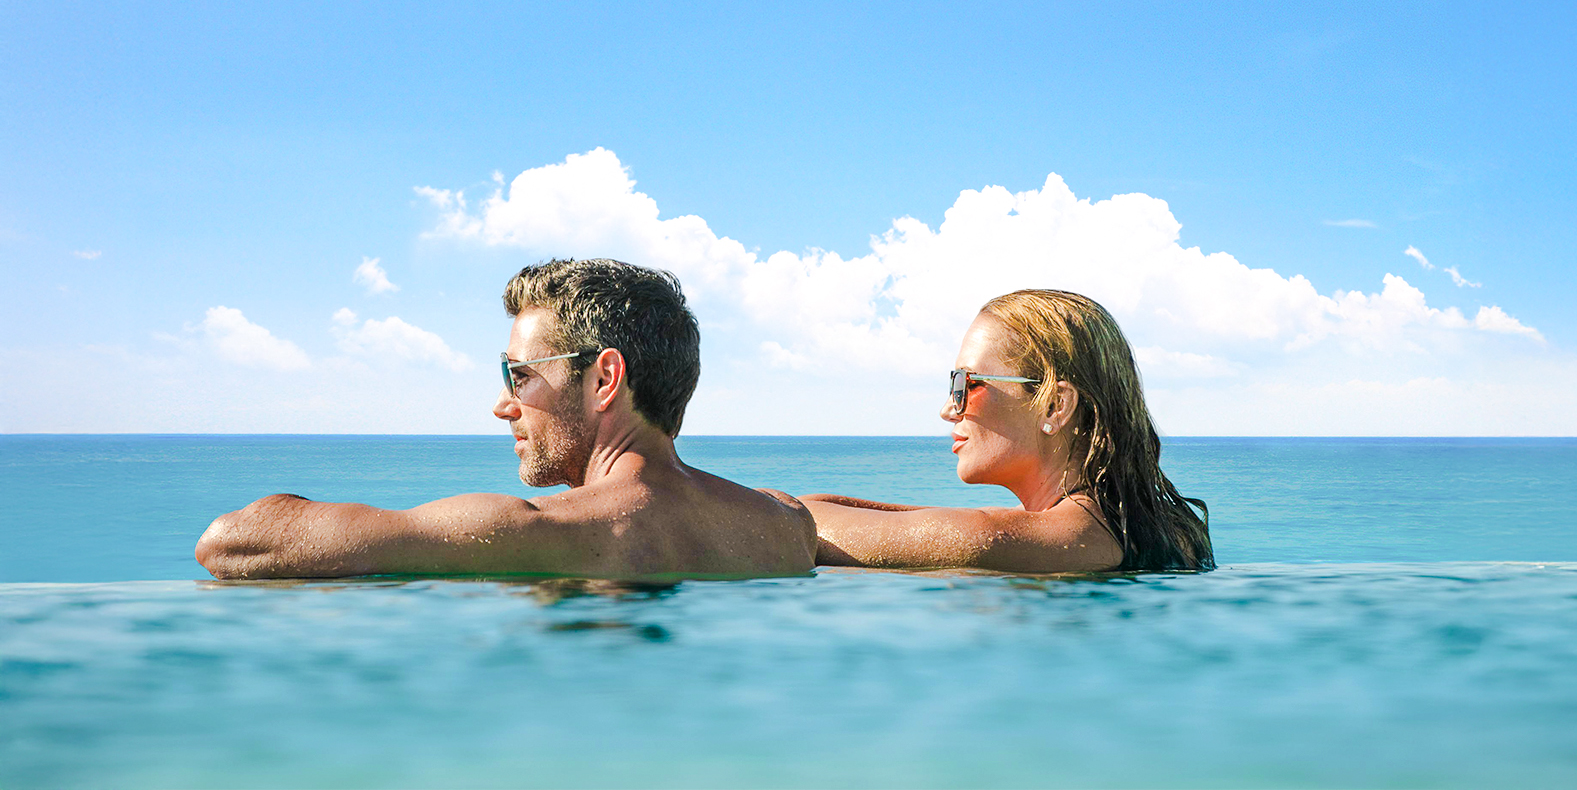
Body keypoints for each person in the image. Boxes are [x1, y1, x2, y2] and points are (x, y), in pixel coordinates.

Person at [196, 259, 817, 579]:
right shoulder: (783, 524)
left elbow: (235, 541)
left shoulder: (537, 534)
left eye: (520, 375)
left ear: (604, 379)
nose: (502, 405)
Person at [802, 289, 1213, 573]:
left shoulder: (1030, 539)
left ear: (1055, 404)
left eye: (966, 384)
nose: (949, 409)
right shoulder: (1156, 529)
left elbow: (800, 522)